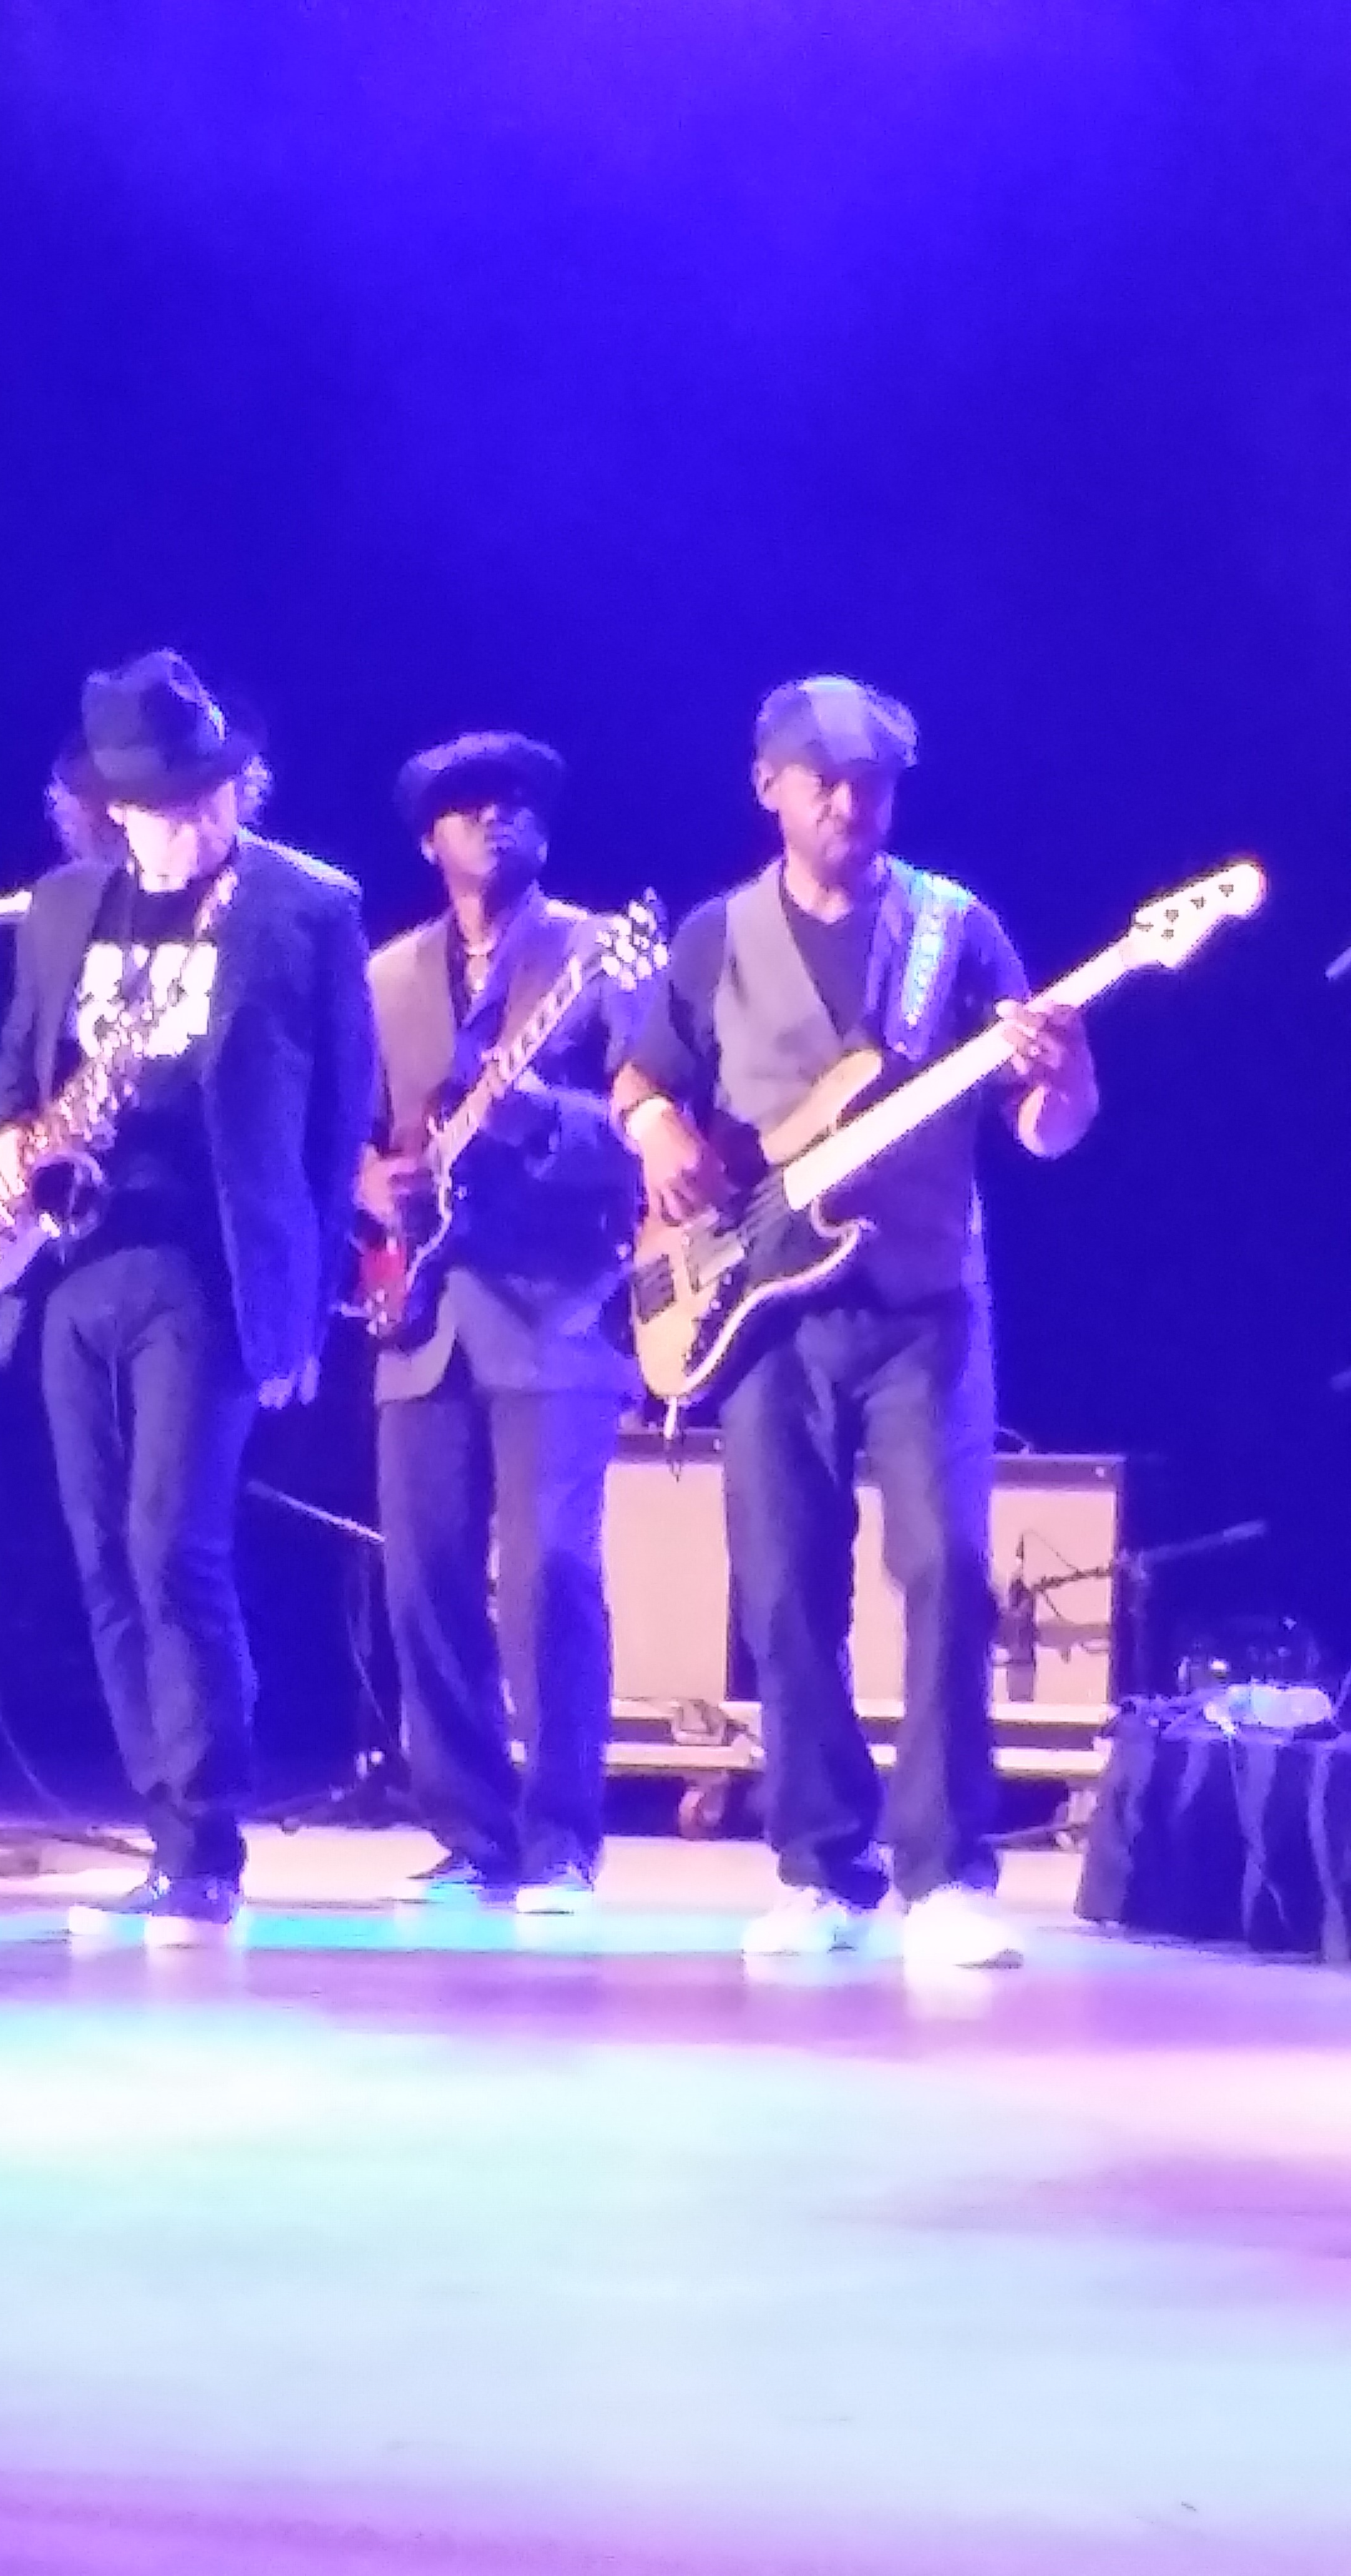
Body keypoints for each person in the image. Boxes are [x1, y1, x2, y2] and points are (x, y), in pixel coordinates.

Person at [613, 675, 1098, 1968]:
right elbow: (642, 1076)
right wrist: (657, 1130)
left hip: (923, 1302)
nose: (849, 802)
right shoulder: (716, 936)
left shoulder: (953, 929)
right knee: (783, 1589)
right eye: (823, 780)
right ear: (767, 786)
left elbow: (1045, 1131)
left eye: (872, 782)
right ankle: (821, 1866)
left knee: (945, 1572)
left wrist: (1063, 1079)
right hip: (763, 1314)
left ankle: (946, 1876)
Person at [0, 650, 377, 1927]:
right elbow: (16, 1073)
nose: (194, 818)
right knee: (103, 1557)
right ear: (111, 809)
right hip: (73, 1271)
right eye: (164, 802)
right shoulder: (61, 909)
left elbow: (336, 1131)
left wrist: (305, 1309)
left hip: (208, 1276)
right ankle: (164, 1830)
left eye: (210, 792)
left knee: (172, 1542)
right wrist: (5, 1146)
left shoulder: (305, 908)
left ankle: (208, 1842)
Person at [360, 731, 644, 1915]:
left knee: (550, 1575)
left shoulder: (599, 953)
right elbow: (352, 1132)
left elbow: (649, 1127)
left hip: (560, 1309)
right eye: (468, 805)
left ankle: (562, 1836)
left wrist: (540, 1119)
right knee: (423, 1579)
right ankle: (470, 1830)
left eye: (516, 801)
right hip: (420, 1316)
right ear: (430, 839)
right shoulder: (384, 977)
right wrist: (368, 1184)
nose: (494, 817)